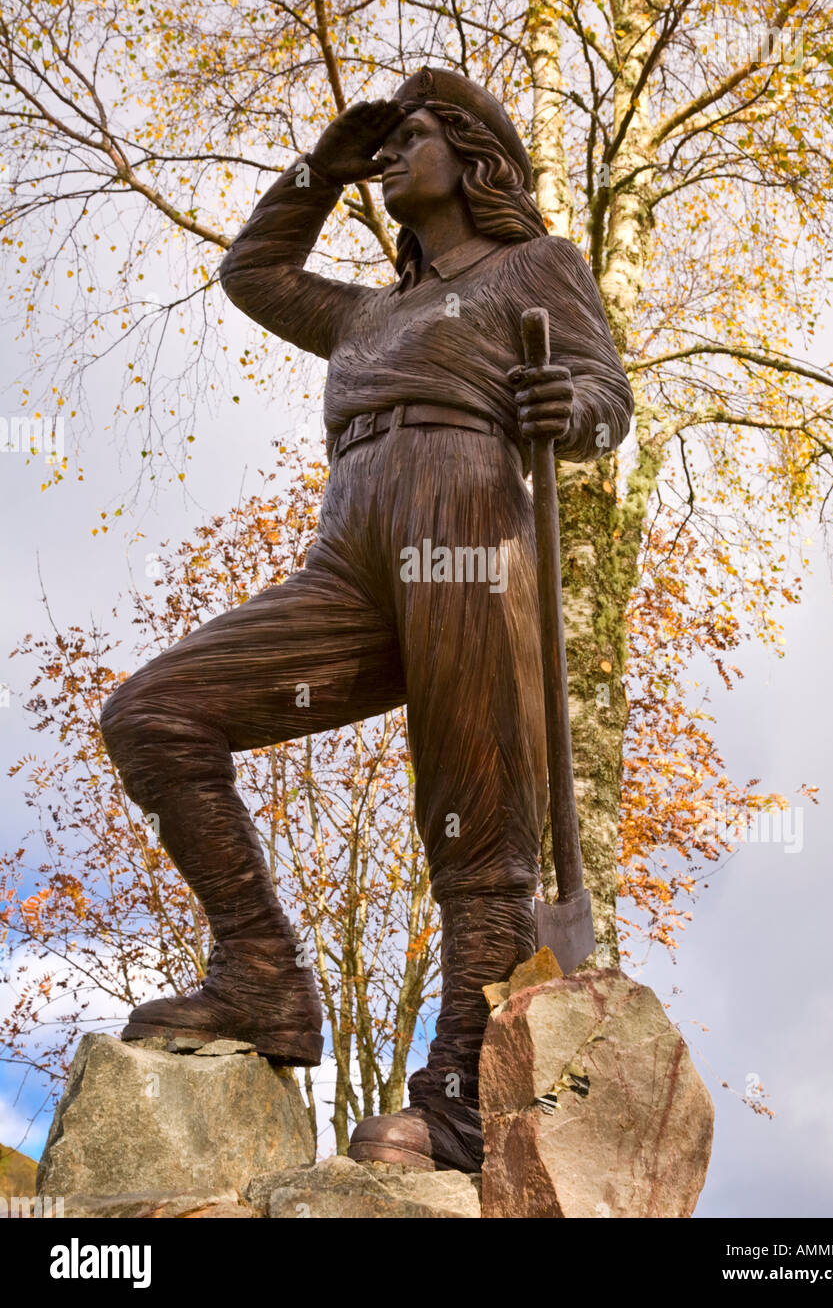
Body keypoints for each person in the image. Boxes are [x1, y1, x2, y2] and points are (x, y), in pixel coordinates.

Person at [100, 67, 634, 1172]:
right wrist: (319, 167)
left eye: (413, 137)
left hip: (471, 521)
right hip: (350, 553)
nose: (391, 156)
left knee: (476, 830)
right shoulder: (363, 311)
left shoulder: (534, 265)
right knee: (154, 716)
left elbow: (602, 398)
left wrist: (567, 406)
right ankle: (261, 975)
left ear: (475, 156)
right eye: (381, 148)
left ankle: (461, 1095)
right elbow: (251, 273)